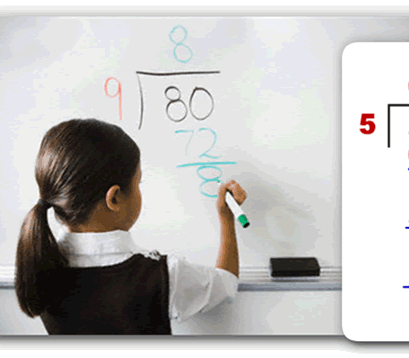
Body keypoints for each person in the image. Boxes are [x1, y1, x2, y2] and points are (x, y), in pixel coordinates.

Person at [14, 118, 247, 334]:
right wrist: (226, 218)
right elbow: (225, 285)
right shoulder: (163, 274)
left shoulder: (40, 266)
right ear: (114, 198)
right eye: (138, 182)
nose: (140, 189)